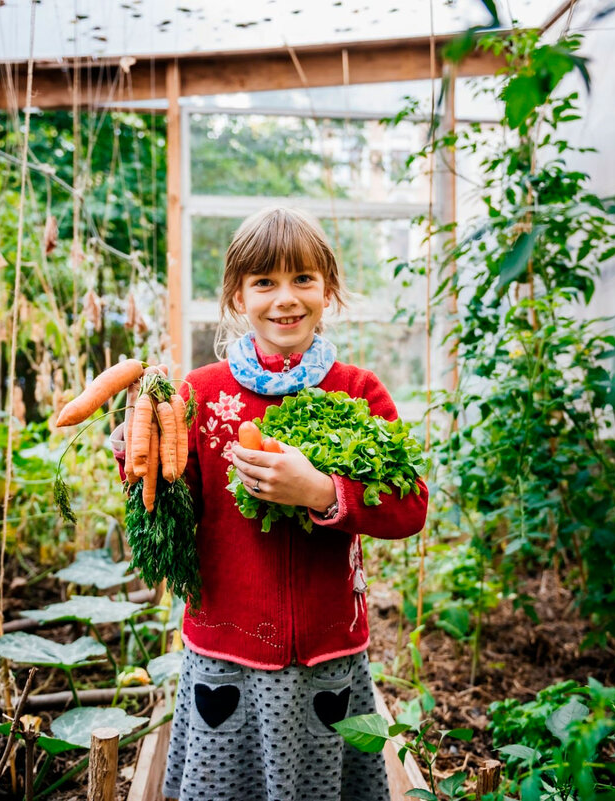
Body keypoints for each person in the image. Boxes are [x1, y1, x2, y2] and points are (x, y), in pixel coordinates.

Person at [113, 206, 428, 801]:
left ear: (328, 288)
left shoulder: (357, 390)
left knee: (314, 784)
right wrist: (140, 456)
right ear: (237, 295)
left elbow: (410, 507)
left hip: (326, 647)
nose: (286, 299)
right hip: (225, 648)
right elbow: (171, 506)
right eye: (265, 282)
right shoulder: (201, 393)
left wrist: (322, 492)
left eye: (303, 279)